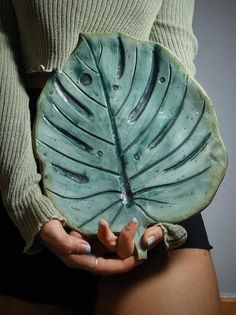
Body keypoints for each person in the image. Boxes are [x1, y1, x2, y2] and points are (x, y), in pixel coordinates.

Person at [0, 0, 222, 314]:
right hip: (36, 163)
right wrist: (26, 203)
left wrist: (171, 202)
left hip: (149, 168)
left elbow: (173, 49)